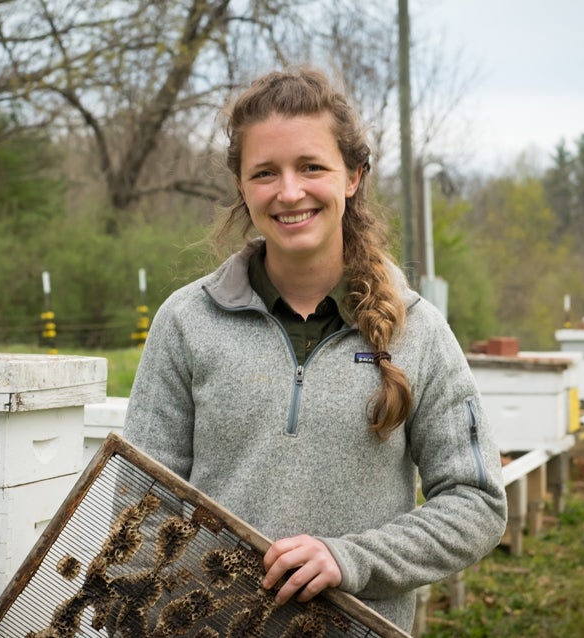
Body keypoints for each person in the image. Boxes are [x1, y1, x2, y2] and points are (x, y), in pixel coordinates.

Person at [123, 66, 506, 631]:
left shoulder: (418, 331)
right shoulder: (186, 322)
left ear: (353, 176)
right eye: (265, 173)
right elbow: (140, 507)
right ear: (241, 187)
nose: (289, 192)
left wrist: (350, 559)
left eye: (311, 167)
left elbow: (477, 504)